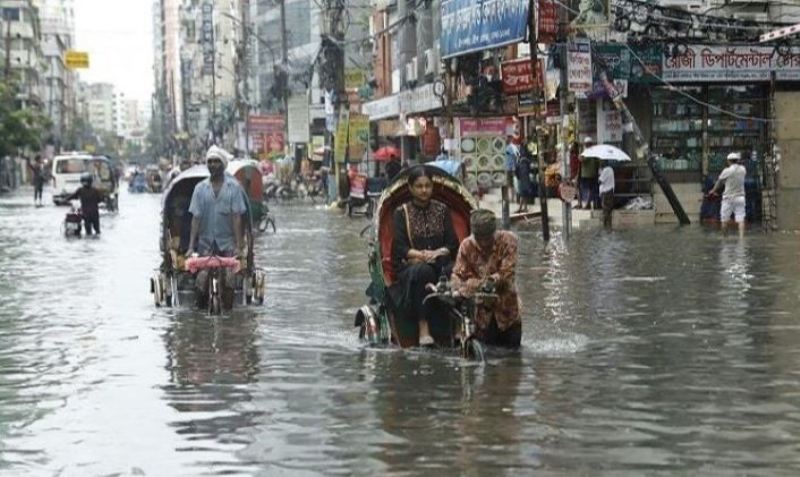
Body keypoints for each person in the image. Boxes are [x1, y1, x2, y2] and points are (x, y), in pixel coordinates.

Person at [390, 166, 459, 346]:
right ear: (411, 188)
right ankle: (423, 327)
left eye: (427, 186)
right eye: (419, 186)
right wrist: (421, 255)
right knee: (423, 272)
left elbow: (452, 244)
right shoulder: (401, 212)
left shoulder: (442, 210)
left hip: (440, 261)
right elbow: (400, 248)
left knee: (455, 270)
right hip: (411, 266)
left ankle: (459, 325)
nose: (424, 190)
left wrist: (436, 253)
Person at [187, 146, 247, 309]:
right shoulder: (200, 189)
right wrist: (191, 247)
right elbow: (195, 219)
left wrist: (239, 246)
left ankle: (228, 313)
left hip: (227, 244)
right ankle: (200, 312)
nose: (213, 165)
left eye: (216, 162)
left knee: (229, 280)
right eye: (210, 162)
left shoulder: (233, 188)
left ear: (223, 165)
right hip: (205, 244)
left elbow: (236, 218)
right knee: (201, 280)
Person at [451, 209, 521, 348]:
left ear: (494, 232)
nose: (483, 243)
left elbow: (506, 274)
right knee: (487, 358)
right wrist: (458, 288)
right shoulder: (466, 246)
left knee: (513, 359)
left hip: (507, 312)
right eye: (479, 238)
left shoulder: (508, 240)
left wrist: (476, 284)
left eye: (487, 238)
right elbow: (458, 275)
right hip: (481, 317)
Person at [709, 152, 747, 237]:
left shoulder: (727, 171)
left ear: (728, 161)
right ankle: (741, 238)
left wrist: (712, 191)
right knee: (741, 220)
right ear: (737, 160)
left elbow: (719, 182)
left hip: (728, 198)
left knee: (724, 220)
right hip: (740, 197)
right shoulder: (743, 169)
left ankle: (725, 238)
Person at [514, 148, 536, 213]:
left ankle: (521, 208)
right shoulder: (527, 162)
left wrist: (518, 177)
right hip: (526, 180)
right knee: (524, 194)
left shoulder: (520, 161)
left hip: (522, 180)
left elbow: (516, 171)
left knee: (522, 194)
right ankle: (524, 208)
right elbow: (530, 170)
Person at [598, 160, 615, 229]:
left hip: (605, 192)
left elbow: (600, 181)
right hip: (610, 191)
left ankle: (606, 227)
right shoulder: (611, 169)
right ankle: (609, 226)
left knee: (605, 209)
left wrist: (599, 173)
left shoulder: (605, 171)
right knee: (609, 210)